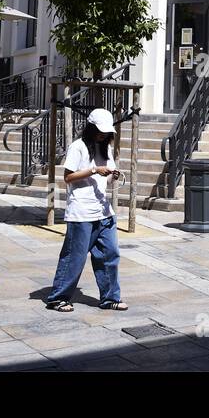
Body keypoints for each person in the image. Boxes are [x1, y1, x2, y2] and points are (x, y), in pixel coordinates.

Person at [45, 108, 128, 312]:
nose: (103, 135)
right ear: (90, 128)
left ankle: (110, 297)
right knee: (75, 256)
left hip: (103, 210)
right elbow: (68, 177)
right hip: (81, 211)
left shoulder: (106, 149)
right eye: (99, 131)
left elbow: (105, 180)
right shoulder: (78, 147)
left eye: (106, 132)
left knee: (110, 254)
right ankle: (58, 297)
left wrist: (112, 175)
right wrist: (93, 170)